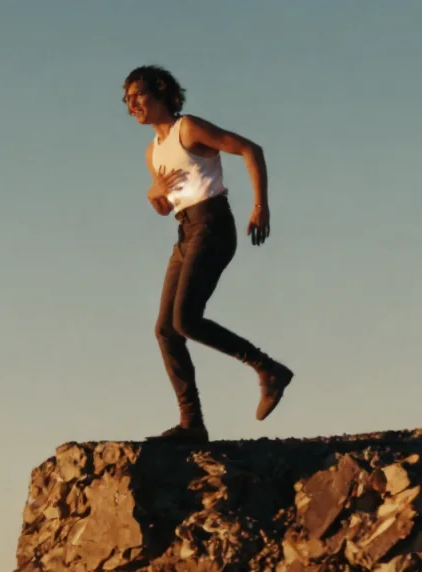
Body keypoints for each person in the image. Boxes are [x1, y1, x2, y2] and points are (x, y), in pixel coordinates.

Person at [122, 65, 295, 443]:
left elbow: (250, 149)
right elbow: (165, 207)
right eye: (127, 99)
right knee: (166, 330)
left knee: (185, 320)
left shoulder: (187, 129)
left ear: (161, 92)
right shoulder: (153, 152)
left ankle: (267, 369)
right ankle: (192, 424)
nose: (131, 104)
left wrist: (260, 206)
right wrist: (153, 194)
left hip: (212, 224)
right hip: (185, 230)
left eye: (138, 95)